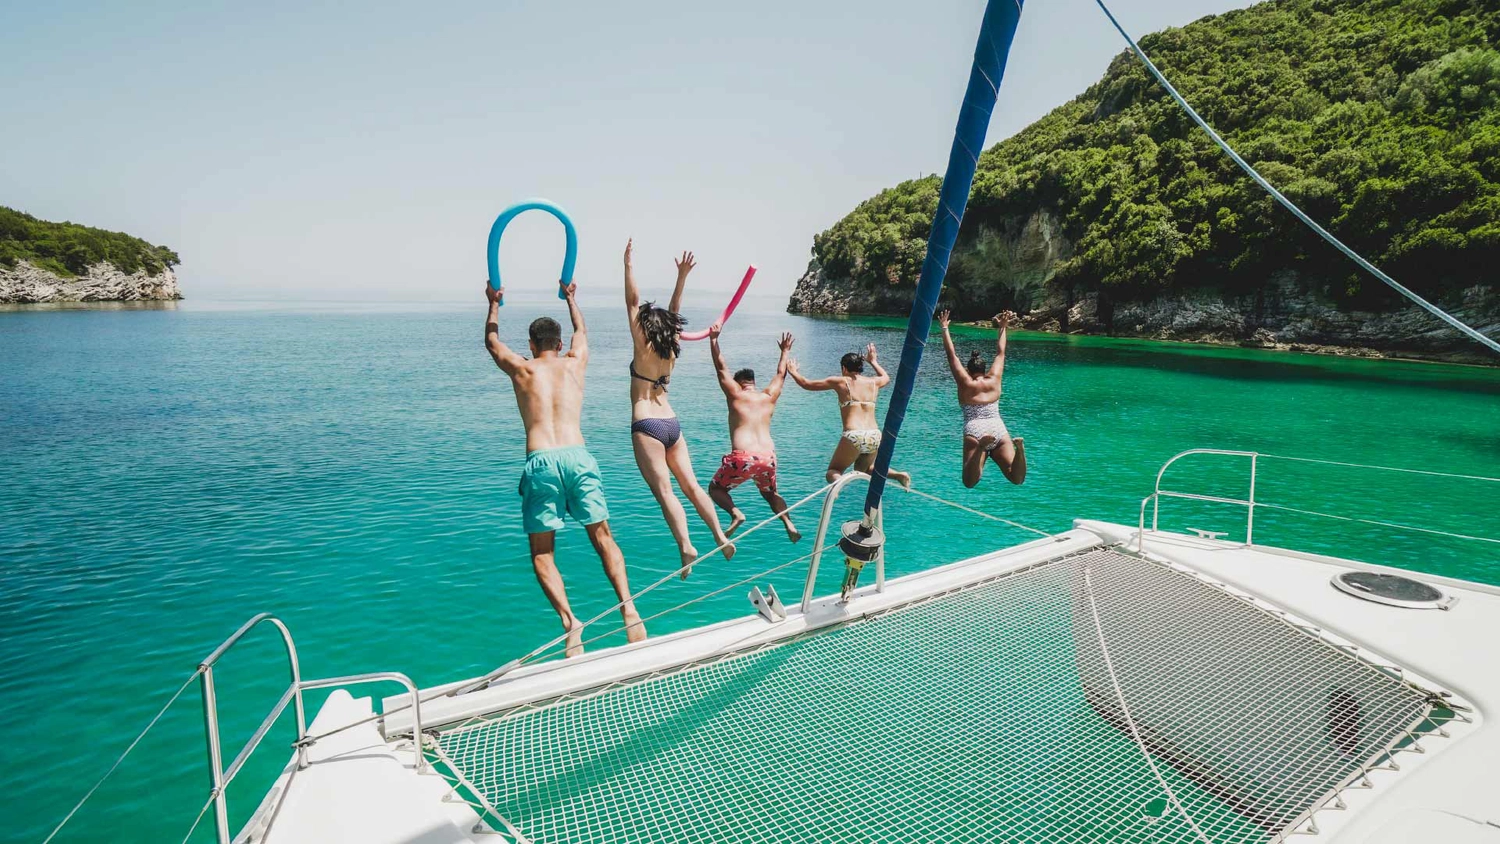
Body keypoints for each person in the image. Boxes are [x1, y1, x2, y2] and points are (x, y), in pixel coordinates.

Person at [484, 282, 644, 657]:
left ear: (531, 343)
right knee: (603, 537)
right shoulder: (575, 364)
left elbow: (492, 343)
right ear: (559, 344)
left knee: (543, 553)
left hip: (541, 460)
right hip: (578, 455)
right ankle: (629, 609)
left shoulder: (523, 370)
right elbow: (583, 333)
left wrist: (493, 305)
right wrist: (572, 298)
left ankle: (572, 624)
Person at [623, 239, 735, 575]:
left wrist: (627, 265)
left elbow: (631, 300)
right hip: (671, 423)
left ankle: (686, 546)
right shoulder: (670, 346)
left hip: (647, 424)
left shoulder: (641, 343)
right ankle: (719, 536)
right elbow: (672, 314)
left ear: (644, 325)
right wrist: (682, 277)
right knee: (692, 486)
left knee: (665, 491)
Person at [706, 324, 801, 542]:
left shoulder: (736, 396)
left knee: (716, 490)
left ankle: (736, 514)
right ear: (753, 383)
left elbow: (721, 369)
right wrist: (785, 351)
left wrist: (713, 340)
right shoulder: (768, 397)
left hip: (743, 458)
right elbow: (780, 374)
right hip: (768, 458)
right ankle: (789, 523)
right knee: (769, 494)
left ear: (738, 384)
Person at [787, 342, 912, 488]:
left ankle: (838, 485)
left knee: (833, 472)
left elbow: (806, 384)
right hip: (874, 435)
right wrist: (873, 361)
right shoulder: (873, 382)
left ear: (844, 368)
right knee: (864, 469)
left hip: (854, 434)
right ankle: (898, 475)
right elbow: (886, 377)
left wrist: (793, 371)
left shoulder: (840, 381)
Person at [937, 309, 1027, 487]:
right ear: (984, 369)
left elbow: (951, 355)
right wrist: (1002, 327)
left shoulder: (966, 383)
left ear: (969, 370)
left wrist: (945, 328)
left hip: (975, 429)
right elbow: (1001, 353)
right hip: (998, 427)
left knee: (970, 481)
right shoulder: (994, 379)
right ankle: (1020, 450)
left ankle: (980, 447)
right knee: (1016, 478)